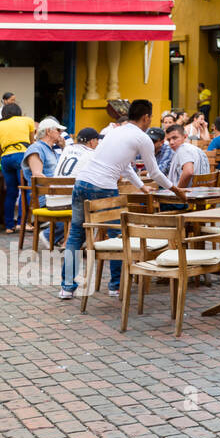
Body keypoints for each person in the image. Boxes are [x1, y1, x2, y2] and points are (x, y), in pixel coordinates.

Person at [60, 99, 186, 299]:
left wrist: (141, 186)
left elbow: (124, 165)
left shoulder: (115, 131)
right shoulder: (142, 138)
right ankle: (115, 286)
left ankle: (66, 288)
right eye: (150, 117)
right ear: (146, 117)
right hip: (103, 187)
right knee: (118, 236)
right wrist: (175, 189)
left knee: (76, 235)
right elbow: (154, 172)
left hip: (81, 182)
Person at [0, 103, 35, 234]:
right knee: (26, 189)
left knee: (11, 191)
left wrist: (4, 157)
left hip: (5, 158)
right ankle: (22, 223)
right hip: (22, 156)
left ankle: (8, 226)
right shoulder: (27, 120)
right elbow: (31, 142)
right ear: (19, 111)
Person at [24, 119, 65, 247]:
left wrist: (65, 148)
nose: (61, 133)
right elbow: (38, 176)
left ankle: (66, 240)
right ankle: (50, 235)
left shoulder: (54, 150)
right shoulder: (36, 148)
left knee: (84, 202)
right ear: (48, 131)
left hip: (58, 194)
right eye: (58, 130)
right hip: (45, 197)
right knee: (80, 207)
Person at [165, 124, 210, 188]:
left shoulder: (183, 149)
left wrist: (178, 191)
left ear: (185, 137)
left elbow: (188, 172)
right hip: (202, 191)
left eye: (175, 138)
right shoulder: (196, 149)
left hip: (189, 194)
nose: (171, 142)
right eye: (168, 140)